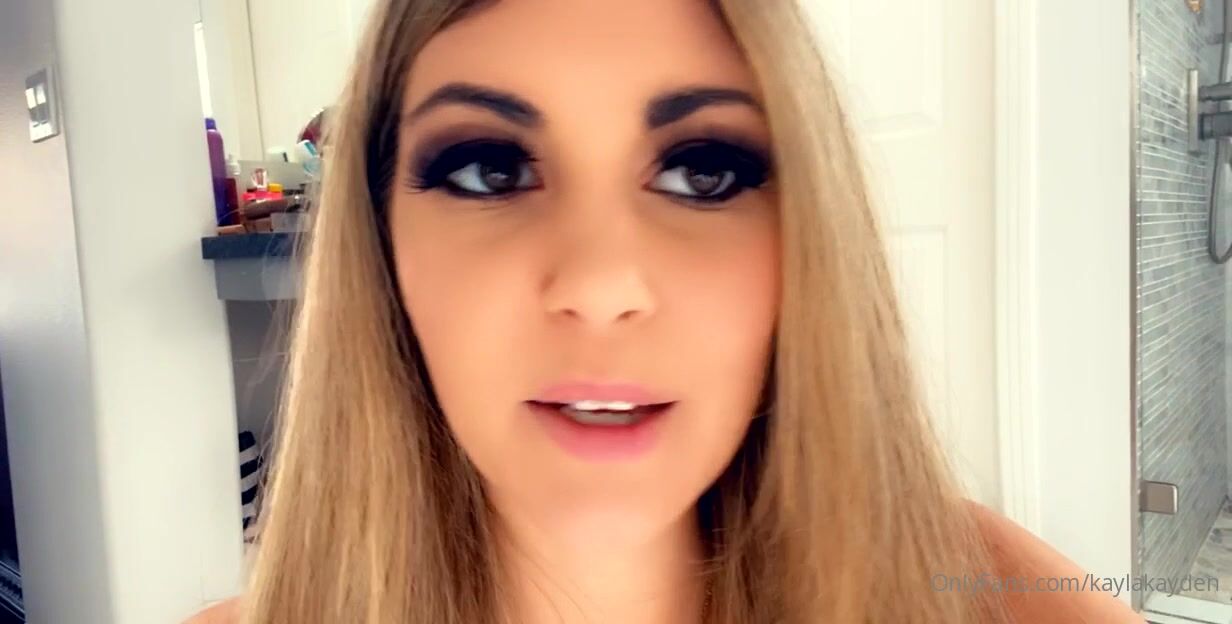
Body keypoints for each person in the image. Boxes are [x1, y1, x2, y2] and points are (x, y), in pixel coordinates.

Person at [189, 0, 1147, 622]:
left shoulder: (999, 595)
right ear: (381, 243)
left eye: (703, 172)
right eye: (488, 170)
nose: (602, 284)